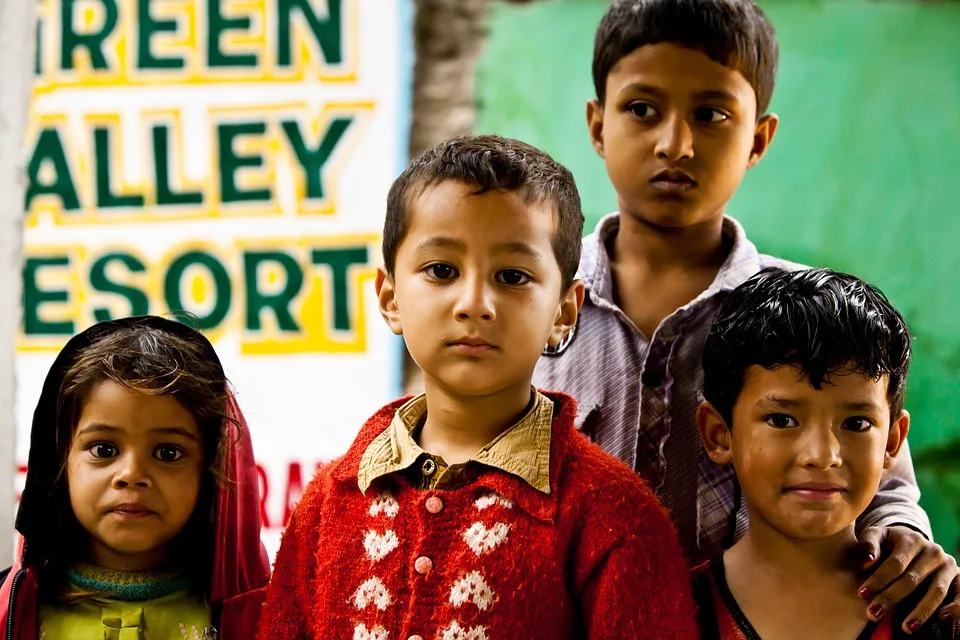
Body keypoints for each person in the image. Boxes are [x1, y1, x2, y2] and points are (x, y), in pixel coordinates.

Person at [532, 0, 959, 629]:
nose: (674, 143)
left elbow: (883, 487)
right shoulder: (530, 304)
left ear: (758, 137)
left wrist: (903, 540)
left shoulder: (804, 313)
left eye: (711, 115)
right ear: (598, 124)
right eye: (642, 109)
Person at [257, 134, 699, 639]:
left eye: (512, 276)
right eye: (441, 270)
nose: (474, 303)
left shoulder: (614, 517)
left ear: (564, 311)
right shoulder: (326, 504)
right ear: (390, 297)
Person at [692, 267, 959, 639]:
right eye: (782, 420)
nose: (822, 455)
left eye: (856, 424)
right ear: (719, 435)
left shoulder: (937, 616)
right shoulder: (671, 613)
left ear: (893, 442)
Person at [0, 316, 270, 639]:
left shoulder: (259, 620)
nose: (131, 475)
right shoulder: (13, 611)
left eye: (167, 453)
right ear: (60, 462)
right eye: (103, 449)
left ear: (211, 470)